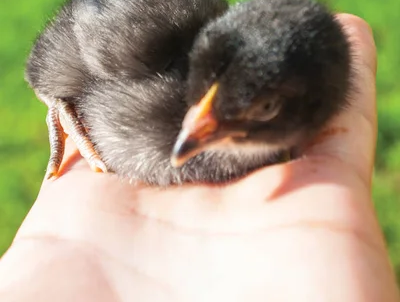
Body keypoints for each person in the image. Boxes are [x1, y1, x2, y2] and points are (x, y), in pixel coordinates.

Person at [0, 15, 398, 301]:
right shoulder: (137, 47)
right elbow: (54, 57)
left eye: (264, 108)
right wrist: (58, 102)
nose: (191, 128)